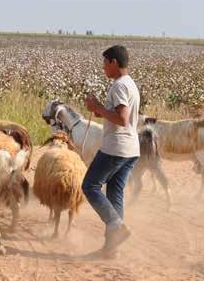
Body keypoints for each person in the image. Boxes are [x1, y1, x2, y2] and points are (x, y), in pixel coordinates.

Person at [82, 44, 141, 259]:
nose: (103, 68)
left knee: (90, 186)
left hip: (116, 147)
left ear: (114, 63)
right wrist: (98, 110)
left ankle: (116, 225)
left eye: (105, 63)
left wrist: (97, 107)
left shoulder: (119, 86)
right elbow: (117, 115)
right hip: (131, 149)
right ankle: (111, 249)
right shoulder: (130, 84)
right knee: (115, 195)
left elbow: (122, 119)